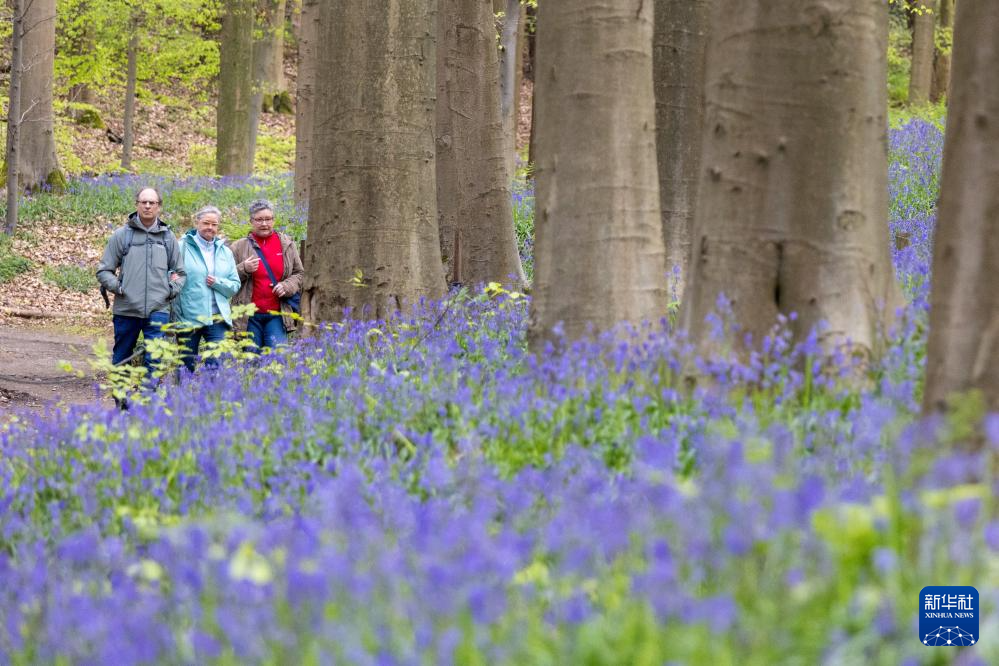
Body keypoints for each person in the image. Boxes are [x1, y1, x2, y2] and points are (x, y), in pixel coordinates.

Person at [96, 186, 186, 382]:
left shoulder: (167, 237)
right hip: (126, 309)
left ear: (158, 207)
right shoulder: (122, 235)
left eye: (151, 203)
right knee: (121, 358)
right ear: (136, 205)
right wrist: (119, 288)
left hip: (158, 309)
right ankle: (122, 404)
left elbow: (180, 272)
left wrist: (170, 290)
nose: (147, 206)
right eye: (143, 202)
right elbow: (103, 270)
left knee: (154, 360)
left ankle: (147, 405)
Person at [173, 205, 241, 373]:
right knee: (186, 365)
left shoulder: (225, 252)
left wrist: (217, 282)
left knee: (216, 365)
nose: (210, 227)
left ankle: (211, 397)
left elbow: (235, 285)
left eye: (214, 224)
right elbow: (170, 275)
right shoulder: (181, 247)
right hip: (189, 315)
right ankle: (184, 398)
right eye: (206, 223)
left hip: (217, 317)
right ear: (197, 222)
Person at [229, 199, 304, 350]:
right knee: (251, 359)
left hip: (277, 313)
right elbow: (226, 277)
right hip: (248, 316)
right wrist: (244, 268)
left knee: (277, 357)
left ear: (274, 220)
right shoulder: (238, 246)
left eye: (268, 219)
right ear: (251, 221)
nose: (264, 224)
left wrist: (286, 286)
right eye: (259, 220)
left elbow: (299, 273)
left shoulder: (287, 244)